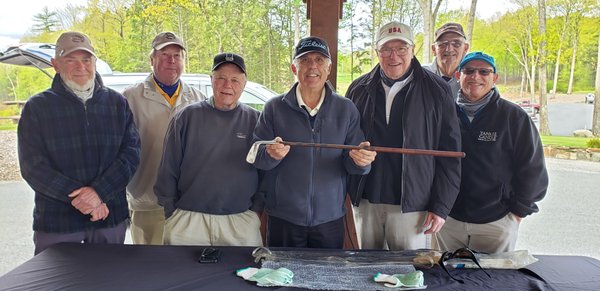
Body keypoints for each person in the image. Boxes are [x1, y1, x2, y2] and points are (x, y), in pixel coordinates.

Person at [17, 31, 140, 255]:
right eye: (70, 59)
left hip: (109, 216)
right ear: (55, 64)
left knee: (109, 282)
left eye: (86, 59)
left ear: (95, 62)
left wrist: (99, 193)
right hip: (57, 222)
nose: (80, 66)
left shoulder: (117, 103)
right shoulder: (37, 107)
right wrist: (82, 198)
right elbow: (32, 166)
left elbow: (131, 154)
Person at [345, 21, 462, 250]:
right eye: (387, 49)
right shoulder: (358, 89)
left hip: (414, 206)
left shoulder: (437, 91)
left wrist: (440, 206)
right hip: (366, 202)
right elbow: (345, 141)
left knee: (409, 274)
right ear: (377, 52)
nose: (394, 56)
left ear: (413, 49)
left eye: (401, 49)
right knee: (363, 272)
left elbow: (450, 153)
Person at [251, 36, 376, 249]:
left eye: (319, 60)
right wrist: (270, 154)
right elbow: (257, 157)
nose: (312, 66)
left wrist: (361, 161)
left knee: (326, 278)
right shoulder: (274, 108)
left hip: (330, 218)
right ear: (294, 67)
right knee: (281, 277)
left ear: (329, 68)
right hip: (284, 217)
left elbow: (354, 162)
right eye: (305, 60)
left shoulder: (346, 109)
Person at [437, 52, 548, 253]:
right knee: (446, 281)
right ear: (458, 76)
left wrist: (517, 213)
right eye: (468, 71)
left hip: (496, 223)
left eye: (484, 71)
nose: (475, 76)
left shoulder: (514, 117)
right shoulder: (444, 115)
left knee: (494, 282)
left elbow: (533, 170)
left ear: (494, 78)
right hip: (448, 221)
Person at [154, 52, 263, 246]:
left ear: (244, 84)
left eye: (235, 80)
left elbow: (266, 172)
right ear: (211, 80)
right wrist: (171, 210)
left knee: (242, 275)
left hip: (240, 221)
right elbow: (168, 168)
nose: (227, 85)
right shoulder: (186, 117)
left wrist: (255, 211)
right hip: (188, 219)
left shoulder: (257, 121)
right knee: (181, 275)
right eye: (221, 78)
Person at [123, 31, 205, 245]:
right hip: (147, 201)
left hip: (187, 203)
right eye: (164, 55)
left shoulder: (198, 98)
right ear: (152, 60)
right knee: (149, 270)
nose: (171, 61)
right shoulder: (131, 98)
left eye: (177, 56)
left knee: (183, 268)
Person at [423, 22, 470, 98]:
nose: (449, 49)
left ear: (465, 48)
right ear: (434, 49)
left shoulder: (475, 76)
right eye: (443, 43)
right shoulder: (420, 75)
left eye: (456, 43)